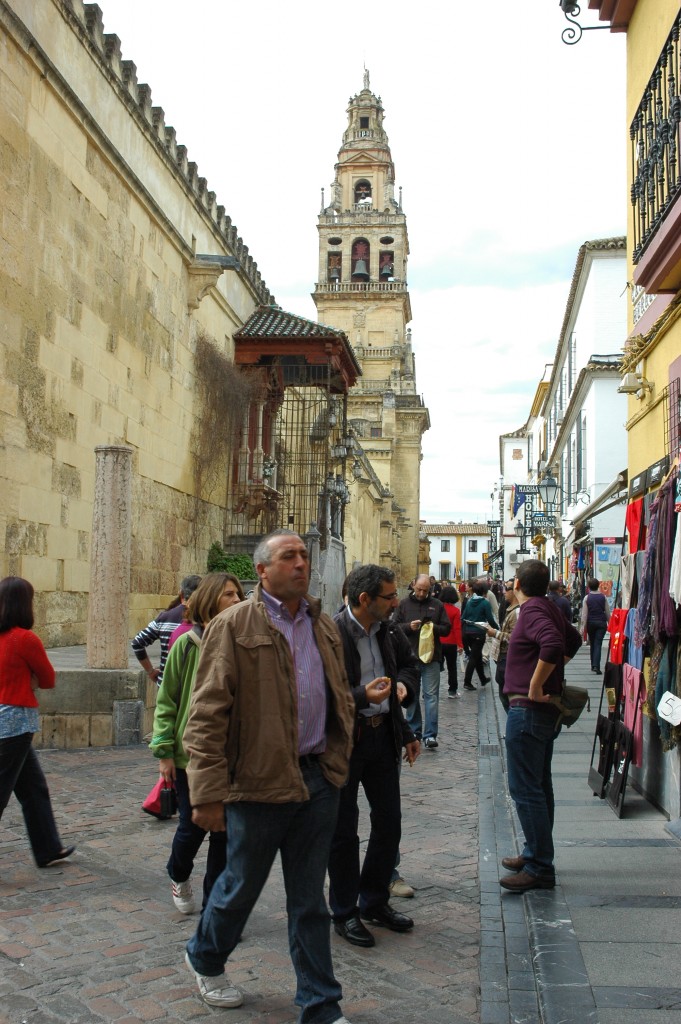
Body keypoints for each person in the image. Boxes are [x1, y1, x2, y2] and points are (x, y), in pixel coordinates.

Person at [182, 530, 355, 1022]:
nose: (301, 563)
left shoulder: (323, 626)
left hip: (317, 781)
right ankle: (205, 956)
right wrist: (207, 794)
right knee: (239, 888)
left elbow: (337, 694)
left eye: (303, 555)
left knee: (309, 901)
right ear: (263, 570)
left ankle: (321, 1005)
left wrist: (338, 760)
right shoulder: (234, 625)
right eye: (288, 557)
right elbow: (206, 714)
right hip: (257, 786)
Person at [329, 564, 420, 948]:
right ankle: (344, 912)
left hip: (384, 739)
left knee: (390, 824)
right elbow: (320, 697)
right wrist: (364, 696)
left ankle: (374, 900)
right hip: (346, 743)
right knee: (343, 832)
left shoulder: (389, 629)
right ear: (365, 599)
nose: (396, 602)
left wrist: (401, 688)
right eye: (389, 596)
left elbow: (412, 666)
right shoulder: (331, 635)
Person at [150, 573, 244, 915]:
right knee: (192, 825)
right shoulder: (186, 644)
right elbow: (167, 701)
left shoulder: (238, 643)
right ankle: (178, 871)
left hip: (229, 754)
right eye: (229, 595)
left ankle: (215, 905)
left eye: (238, 594)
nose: (237, 600)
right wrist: (163, 752)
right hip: (190, 755)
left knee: (225, 831)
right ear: (209, 601)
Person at [500, 560, 582, 893]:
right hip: (540, 712)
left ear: (518, 582)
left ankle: (538, 866)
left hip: (529, 709)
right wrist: (549, 671)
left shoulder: (532, 611)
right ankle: (536, 853)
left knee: (526, 789)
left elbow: (553, 645)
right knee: (539, 784)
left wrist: (537, 682)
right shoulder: (547, 606)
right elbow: (573, 640)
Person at [0, 577, 75, 868]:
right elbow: (48, 679)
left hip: (8, 721)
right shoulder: (24, 639)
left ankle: (48, 848)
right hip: (15, 723)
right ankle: (47, 847)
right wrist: (29, 679)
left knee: (33, 788)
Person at [392, 574, 450, 748]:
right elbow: (394, 627)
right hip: (410, 658)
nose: (422, 593)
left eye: (425, 590)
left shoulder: (437, 605)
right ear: (413, 584)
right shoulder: (403, 604)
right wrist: (409, 627)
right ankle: (414, 731)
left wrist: (432, 628)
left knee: (431, 696)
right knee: (412, 695)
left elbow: (447, 629)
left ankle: (430, 735)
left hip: (432, 658)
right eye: (419, 589)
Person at [132, 574, 202, 684]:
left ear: (181, 594)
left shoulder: (165, 617)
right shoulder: (207, 619)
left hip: (166, 684)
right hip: (195, 686)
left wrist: (150, 671)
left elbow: (137, 643)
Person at [484, 581, 519, 713]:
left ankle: (514, 728)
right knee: (504, 694)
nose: (503, 592)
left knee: (506, 696)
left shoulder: (516, 613)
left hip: (508, 657)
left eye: (507, 589)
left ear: (515, 591)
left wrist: (496, 633)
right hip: (503, 657)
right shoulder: (510, 609)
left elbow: (516, 639)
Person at [460, 582, 498, 690]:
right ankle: (467, 682)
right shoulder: (485, 603)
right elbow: (490, 619)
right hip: (478, 633)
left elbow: (463, 617)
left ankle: (482, 678)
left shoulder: (469, 601)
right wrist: (497, 629)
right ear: (484, 592)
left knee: (477, 656)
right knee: (473, 657)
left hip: (468, 632)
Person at [580, 578, 608, 674]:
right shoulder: (603, 597)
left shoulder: (587, 598)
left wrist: (583, 627)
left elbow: (584, 614)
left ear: (588, 587)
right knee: (598, 644)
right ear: (598, 585)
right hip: (601, 623)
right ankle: (596, 665)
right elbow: (607, 612)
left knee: (593, 643)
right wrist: (610, 623)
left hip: (591, 623)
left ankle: (594, 665)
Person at [440, 586, 462, 698]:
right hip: (451, 642)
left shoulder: (438, 609)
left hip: (439, 641)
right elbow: (457, 629)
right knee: (452, 667)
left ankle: (429, 691)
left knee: (434, 668)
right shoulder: (456, 611)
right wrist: (460, 644)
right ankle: (452, 691)